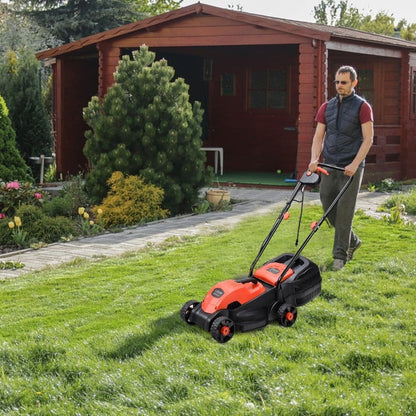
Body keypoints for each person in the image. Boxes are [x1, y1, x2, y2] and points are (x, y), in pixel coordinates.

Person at [308, 65, 374, 271]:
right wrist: (314, 158)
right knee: (328, 206)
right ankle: (352, 240)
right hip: (329, 164)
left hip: (350, 167)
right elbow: (319, 136)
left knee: (345, 211)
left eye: (343, 82)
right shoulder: (326, 107)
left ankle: (339, 257)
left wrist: (355, 164)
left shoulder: (363, 107)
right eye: (337, 82)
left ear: (354, 83)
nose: (339, 86)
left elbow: (368, 138)